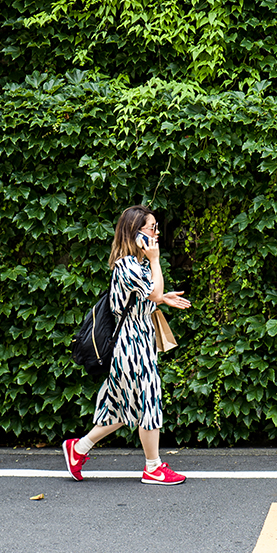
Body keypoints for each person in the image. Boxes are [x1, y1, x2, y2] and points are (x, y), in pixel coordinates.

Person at [62, 204, 192, 484]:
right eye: (152, 228)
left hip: (138, 339)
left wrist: (162, 296)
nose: (156, 234)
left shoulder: (137, 264)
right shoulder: (128, 265)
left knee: (122, 406)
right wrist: (156, 263)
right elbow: (152, 290)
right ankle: (153, 467)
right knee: (149, 398)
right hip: (131, 345)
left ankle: (79, 448)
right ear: (136, 233)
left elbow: (151, 295)